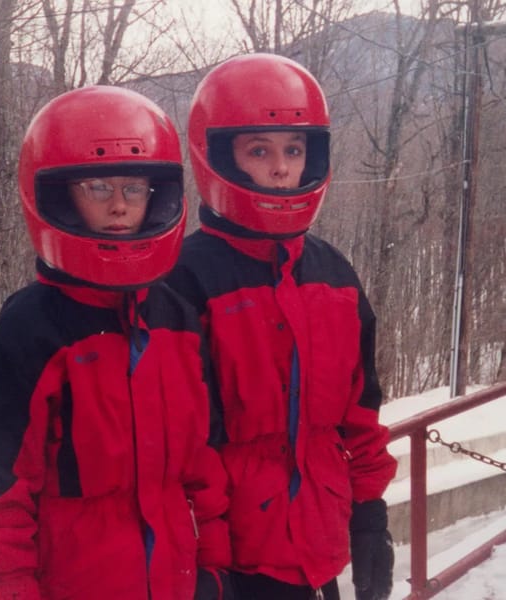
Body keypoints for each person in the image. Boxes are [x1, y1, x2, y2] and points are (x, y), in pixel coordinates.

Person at [0, 86, 232, 600]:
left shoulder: (178, 319)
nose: (121, 206)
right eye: (98, 187)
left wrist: (214, 572)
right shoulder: (28, 333)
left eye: (136, 187)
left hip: (176, 582)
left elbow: (201, 468)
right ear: (61, 196)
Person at [166, 53, 398, 600]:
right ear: (219, 155)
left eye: (293, 150)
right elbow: (175, 444)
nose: (279, 168)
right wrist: (200, 559)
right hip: (229, 561)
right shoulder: (182, 278)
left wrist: (369, 515)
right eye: (259, 150)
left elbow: (360, 411)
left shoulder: (333, 273)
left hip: (315, 552)